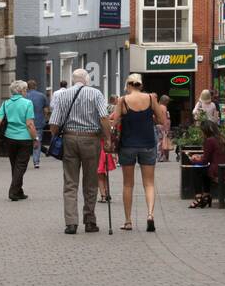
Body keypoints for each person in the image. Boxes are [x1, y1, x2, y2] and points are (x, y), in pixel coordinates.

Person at [49, 69, 111, 235]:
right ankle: (89, 221)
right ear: (86, 80)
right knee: (90, 181)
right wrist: (108, 139)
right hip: (91, 139)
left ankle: (71, 223)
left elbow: (54, 123)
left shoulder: (62, 95)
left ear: (73, 80)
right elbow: (104, 118)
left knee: (70, 182)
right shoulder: (96, 93)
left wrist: (57, 136)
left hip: (69, 139)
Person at [112, 74, 168, 232]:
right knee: (149, 183)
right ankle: (150, 214)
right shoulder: (151, 98)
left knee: (128, 184)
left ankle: (128, 221)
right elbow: (162, 120)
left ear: (128, 85)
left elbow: (115, 122)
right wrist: (150, 118)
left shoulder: (123, 101)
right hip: (148, 144)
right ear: (141, 85)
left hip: (128, 145)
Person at [0, 81, 38, 201]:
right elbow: (30, 124)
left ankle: (19, 191)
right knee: (21, 166)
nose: (26, 92)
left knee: (15, 165)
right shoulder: (28, 103)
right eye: (25, 90)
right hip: (24, 139)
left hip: (9, 138)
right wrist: (35, 138)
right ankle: (13, 191)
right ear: (22, 91)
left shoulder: (5, 103)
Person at [189, 118, 225, 209]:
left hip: (220, 171)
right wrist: (201, 157)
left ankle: (199, 197)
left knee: (196, 169)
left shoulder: (210, 140)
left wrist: (193, 159)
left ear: (205, 131)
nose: (201, 134)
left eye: (201, 131)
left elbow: (205, 161)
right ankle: (206, 195)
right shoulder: (222, 138)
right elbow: (214, 156)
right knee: (203, 170)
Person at [25, 79, 48, 169]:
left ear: (27, 87)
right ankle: (36, 162)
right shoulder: (42, 96)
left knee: (26, 142)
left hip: (26, 122)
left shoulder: (25, 96)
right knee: (37, 141)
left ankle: (24, 160)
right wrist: (45, 118)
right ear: (36, 86)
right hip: (38, 122)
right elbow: (46, 110)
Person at [156, 94, 172, 162]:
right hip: (163, 126)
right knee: (163, 142)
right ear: (165, 101)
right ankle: (162, 157)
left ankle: (160, 157)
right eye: (167, 101)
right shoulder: (164, 107)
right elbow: (165, 118)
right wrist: (166, 128)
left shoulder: (158, 106)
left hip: (158, 125)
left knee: (160, 141)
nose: (168, 102)